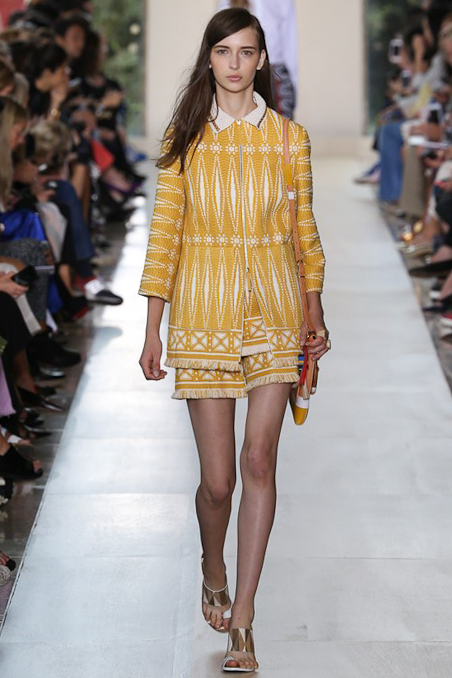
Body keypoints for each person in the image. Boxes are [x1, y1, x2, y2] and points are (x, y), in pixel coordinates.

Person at [139, 8, 328, 673]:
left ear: (261, 60)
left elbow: (305, 231)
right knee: (217, 483)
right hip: (203, 313)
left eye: (246, 52)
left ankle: (243, 620)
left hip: (274, 310)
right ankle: (212, 565)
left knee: (259, 461)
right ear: (210, 58)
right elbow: (164, 234)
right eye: (224, 52)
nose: (235, 64)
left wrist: (314, 310)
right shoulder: (185, 140)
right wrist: (152, 327)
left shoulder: (290, 139)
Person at [218, 0, 298, 118]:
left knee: (280, 125)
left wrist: (293, 85)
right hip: (243, 71)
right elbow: (221, 38)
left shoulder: (282, 2)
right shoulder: (226, 2)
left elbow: (290, 43)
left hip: (276, 75)